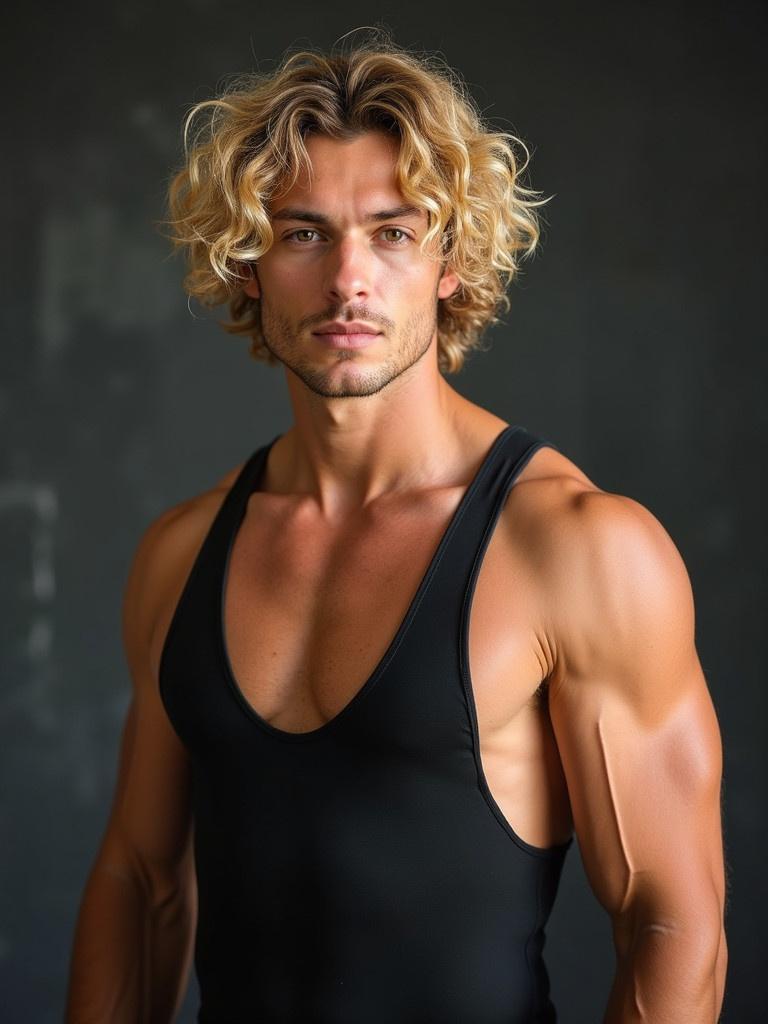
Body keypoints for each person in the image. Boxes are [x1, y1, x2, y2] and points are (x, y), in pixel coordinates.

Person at [65, 30, 728, 1024]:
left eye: (392, 231)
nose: (347, 281)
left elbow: (673, 921)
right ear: (247, 264)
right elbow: (142, 882)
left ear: (451, 260)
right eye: (301, 233)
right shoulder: (182, 553)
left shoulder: (582, 548)